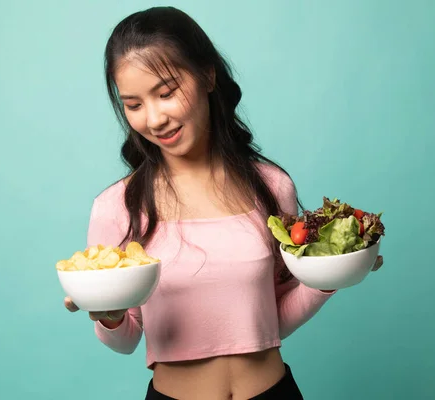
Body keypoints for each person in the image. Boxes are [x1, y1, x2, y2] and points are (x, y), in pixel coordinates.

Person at [63, 6, 384, 400]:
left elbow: (272, 320)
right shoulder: (118, 206)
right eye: (134, 105)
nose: (154, 118)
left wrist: (330, 275)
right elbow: (126, 339)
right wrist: (109, 317)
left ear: (208, 75)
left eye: (166, 93)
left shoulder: (271, 186)